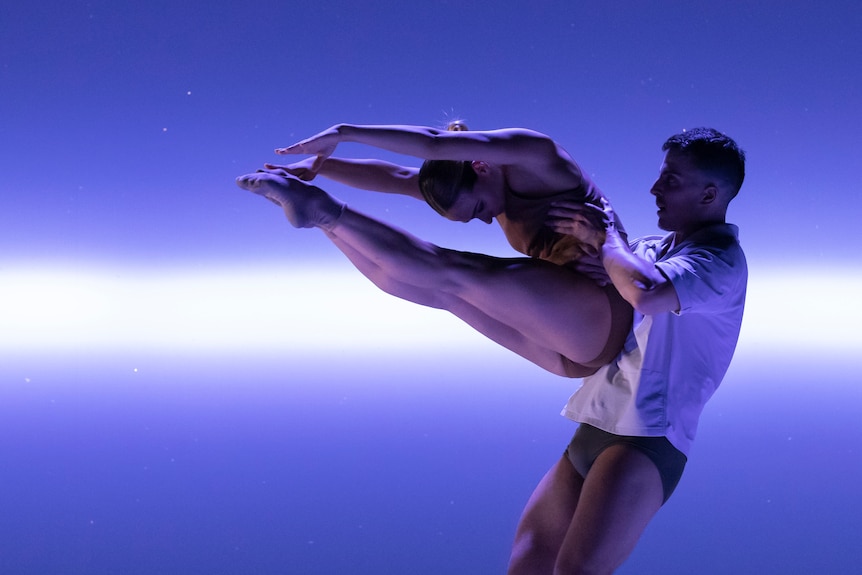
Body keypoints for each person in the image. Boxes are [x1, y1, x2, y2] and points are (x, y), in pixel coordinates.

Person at [505, 127, 748, 574]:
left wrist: (607, 239)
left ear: (710, 194)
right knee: (528, 565)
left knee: (574, 571)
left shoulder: (720, 260)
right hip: (598, 422)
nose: (655, 189)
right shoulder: (652, 249)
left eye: (671, 180)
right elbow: (607, 278)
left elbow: (646, 292)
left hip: (648, 438)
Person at [247, 123, 633, 377]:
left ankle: (323, 210)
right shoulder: (480, 188)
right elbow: (396, 176)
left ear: (481, 167)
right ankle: (321, 220)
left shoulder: (540, 158)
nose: (487, 221)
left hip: (602, 312)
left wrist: (344, 133)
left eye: (479, 209)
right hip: (565, 352)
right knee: (432, 290)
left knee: (454, 271)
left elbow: (433, 143)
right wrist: (322, 167)